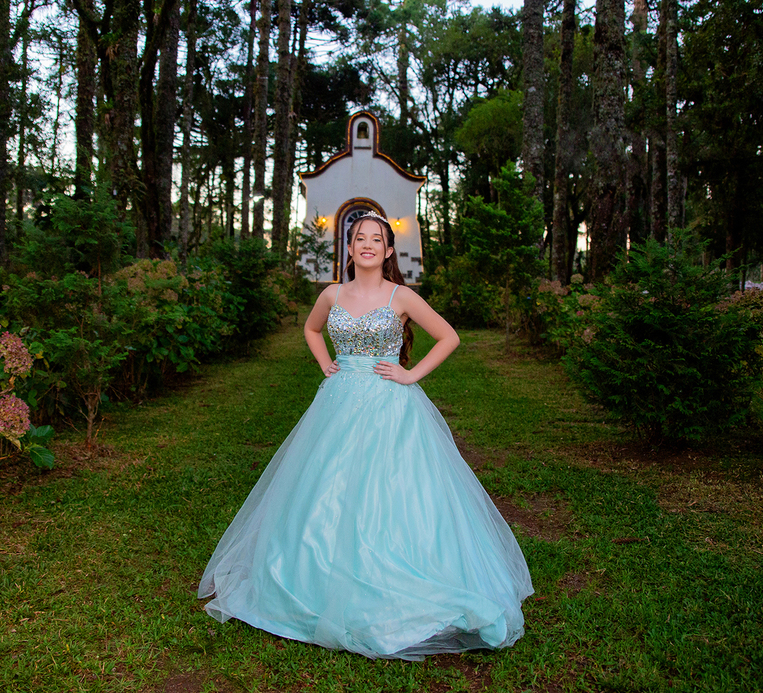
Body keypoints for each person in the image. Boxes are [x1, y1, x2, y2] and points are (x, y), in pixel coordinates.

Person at [198, 211, 533, 660]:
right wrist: (324, 362)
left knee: (390, 492)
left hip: (389, 406)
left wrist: (411, 374)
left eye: (378, 239)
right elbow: (311, 328)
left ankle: (400, 578)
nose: (369, 244)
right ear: (350, 248)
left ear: (389, 251)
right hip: (336, 405)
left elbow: (449, 337)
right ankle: (314, 579)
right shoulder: (332, 293)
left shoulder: (401, 296)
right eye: (360, 238)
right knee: (324, 489)